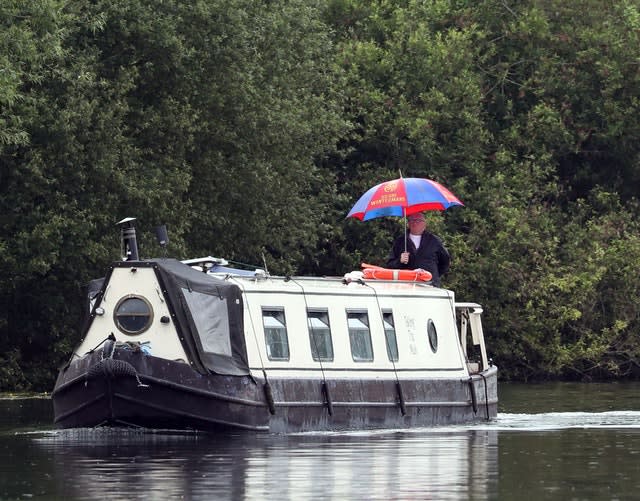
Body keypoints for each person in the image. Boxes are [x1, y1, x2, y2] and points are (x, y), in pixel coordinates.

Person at [386, 213, 450, 287]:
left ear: (425, 224)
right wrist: (399, 261)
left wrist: (434, 276)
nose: (415, 222)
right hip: (406, 286)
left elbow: (445, 262)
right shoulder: (400, 241)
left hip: (430, 286)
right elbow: (390, 266)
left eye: (418, 220)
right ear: (408, 223)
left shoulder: (434, 240)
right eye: (412, 220)